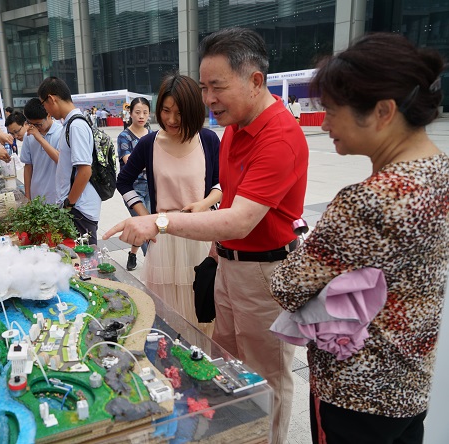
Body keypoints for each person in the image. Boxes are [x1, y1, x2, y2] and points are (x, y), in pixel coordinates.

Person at [104, 27, 309, 444]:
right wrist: (215, 245)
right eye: (204, 87)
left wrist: (159, 222)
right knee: (225, 360)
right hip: (225, 262)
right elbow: (228, 194)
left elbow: (239, 219)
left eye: (217, 87)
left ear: (255, 81)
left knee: (267, 375)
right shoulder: (233, 127)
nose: (209, 98)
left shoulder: (279, 136)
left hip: (264, 274)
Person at [271, 33, 448, 444]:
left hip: (355, 393)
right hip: (412, 383)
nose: (325, 124)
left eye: (333, 111)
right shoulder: (440, 173)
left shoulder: (367, 200)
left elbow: (287, 286)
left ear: (383, 111)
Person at [117, 73, 221, 338]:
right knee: (167, 316)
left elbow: (222, 185)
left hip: (200, 234)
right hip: (164, 238)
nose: (172, 119)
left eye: (179, 113)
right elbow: (124, 181)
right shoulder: (149, 143)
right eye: (166, 111)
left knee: (203, 312)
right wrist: (146, 218)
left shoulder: (208, 140)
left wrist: (204, 204)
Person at [38, 77, 101, 244]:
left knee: (86, 257)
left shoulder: (76, 126)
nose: (46, 110)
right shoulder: (69, 124)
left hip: (79, 210)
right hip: (76, 207)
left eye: (44, 104)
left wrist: (69, 205)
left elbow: (85, 171)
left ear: (51, 99)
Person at [116, 97, 153, 271]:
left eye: (145, 112)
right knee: (144, 224)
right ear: (130, 113)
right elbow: (129, 161)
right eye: (137, 112)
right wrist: (151, 161)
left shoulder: (152, 133)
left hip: (151, 187)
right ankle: (152, 261)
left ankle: (132, 254)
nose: (141, 116)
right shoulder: (124, 136)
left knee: (146, 224)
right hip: (132, 189)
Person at [21, 98, 61, 204]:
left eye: (38, 124)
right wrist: (27, 196)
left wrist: (39, 138)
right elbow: (28, 167)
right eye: (31, 124)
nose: (36, 128)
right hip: (36, 196)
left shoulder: (61, 132)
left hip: (56, 196)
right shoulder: (28, 136)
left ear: (48, 115)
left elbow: (61, 160)